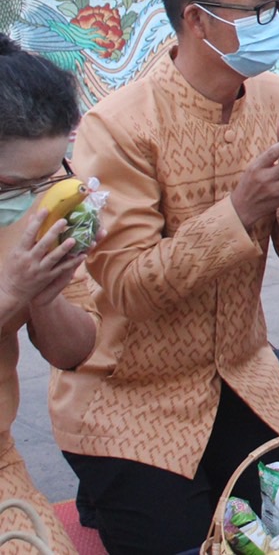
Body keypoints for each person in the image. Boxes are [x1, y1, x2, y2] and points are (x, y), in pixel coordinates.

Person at [54, 0, 279, 555]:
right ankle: (106, 483)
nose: (277, 22)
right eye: (260, 9)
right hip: (133, 392)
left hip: (246, 373)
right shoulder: (121, 127)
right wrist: (241, 208)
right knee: (185, 544)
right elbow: (129, 288)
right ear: (199, 20)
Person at [0, 38, 96, 554]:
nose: (40, 200)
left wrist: (45, 297)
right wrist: (13, 291)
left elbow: (73, 351)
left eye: (51, 177)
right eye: (14, 186)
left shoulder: (43, 206)